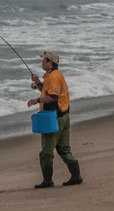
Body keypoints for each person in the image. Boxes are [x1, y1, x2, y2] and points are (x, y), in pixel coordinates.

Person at [27, 51, 83, 189]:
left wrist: (36, 100)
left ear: (50, 62)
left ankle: (47, 180)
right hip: (64, 117)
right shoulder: (53, 76)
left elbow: (53, 98)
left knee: (46, 152)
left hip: (54, 118)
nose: (42, 62)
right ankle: (76, 176)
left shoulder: (53, 77)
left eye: (44, 60)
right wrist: (39, 83)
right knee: (64, 149)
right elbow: (48, 92)